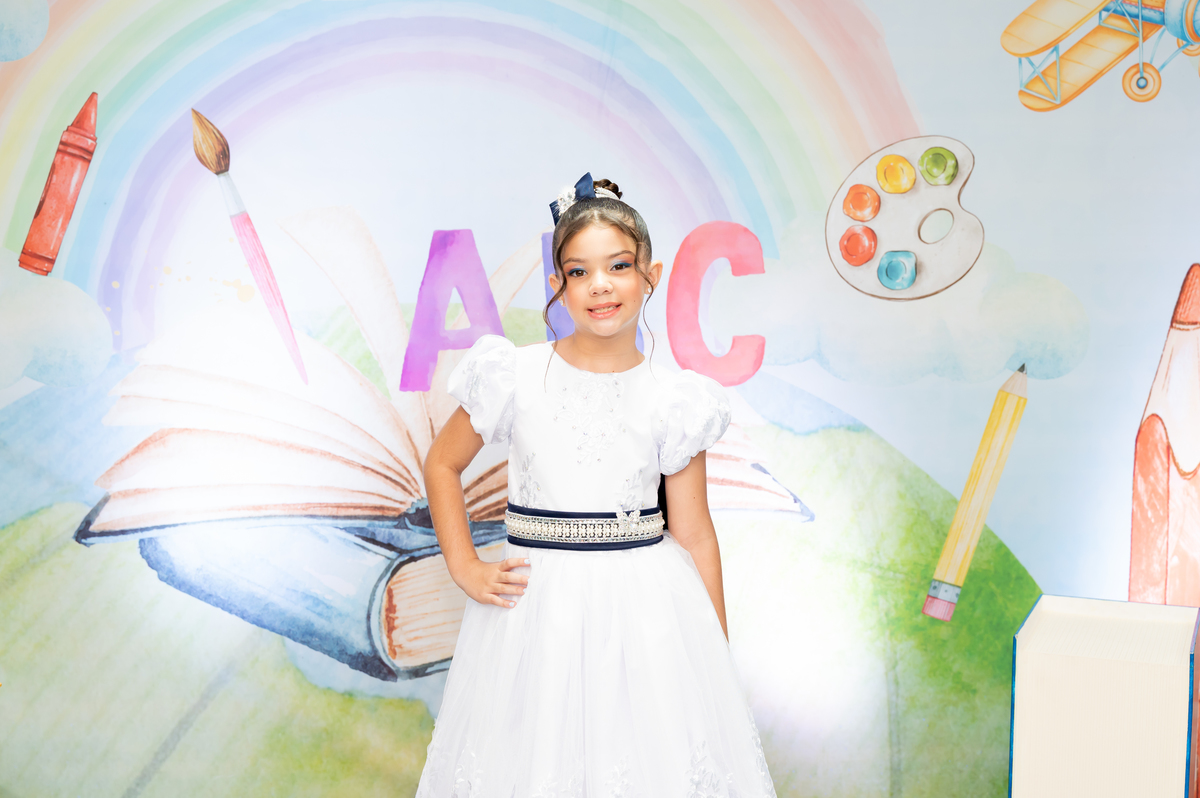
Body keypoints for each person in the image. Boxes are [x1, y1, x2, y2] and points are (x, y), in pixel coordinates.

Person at [415, 173, 775, 797]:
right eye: (578, 272)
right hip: (534, 612)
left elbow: (694, 533)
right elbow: (442, 464)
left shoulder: (673, 399)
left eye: (618, 266)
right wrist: (465, 566)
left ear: (650, 276)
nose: (600, 284)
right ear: (557, 284)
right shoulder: (515, 375)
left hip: (644, 614)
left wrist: (713, 652)